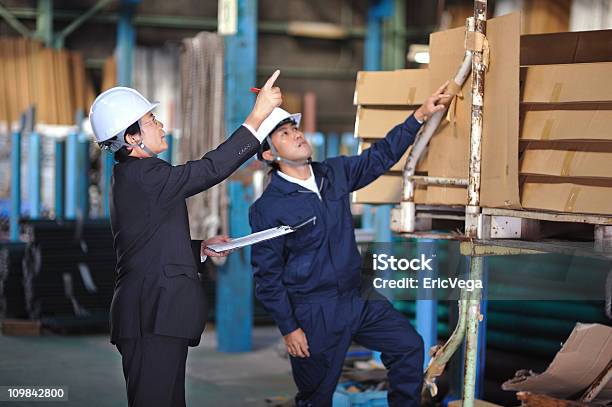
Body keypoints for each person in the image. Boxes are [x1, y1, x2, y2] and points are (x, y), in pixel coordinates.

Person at [89, 70, 283, 407]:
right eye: (151, 120)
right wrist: (258, 115)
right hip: (151, 313)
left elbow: (144, 244)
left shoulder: (131, 177)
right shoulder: (147, 174)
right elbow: (210, 169)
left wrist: (199, 249)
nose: (161, 125)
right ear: (132, 137)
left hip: (150, 313)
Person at [249, 82, 450, 407]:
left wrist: (419, 115)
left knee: (408, 345)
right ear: (270, 154)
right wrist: (289, 328)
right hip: (315, 312)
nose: (297, 135)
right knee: (317, 396)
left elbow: (379, 157)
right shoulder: (268, 208)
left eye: (295, 128)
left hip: (358, 297)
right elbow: (267, 276)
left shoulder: (334, 173)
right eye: (284, 134)